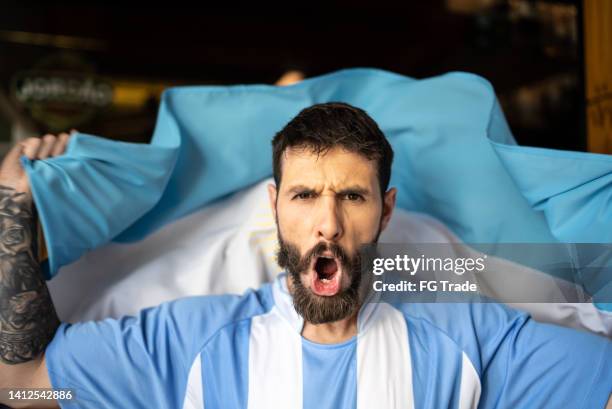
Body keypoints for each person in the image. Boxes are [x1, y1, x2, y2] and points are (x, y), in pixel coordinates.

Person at [0, 103, 610, 409]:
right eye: (304, 195)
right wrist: (12, 207)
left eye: (352, 196)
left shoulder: (471, 339)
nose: (328, 224)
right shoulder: (191, 344)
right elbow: (24, 391)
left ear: (387, 210)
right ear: (274, 206)